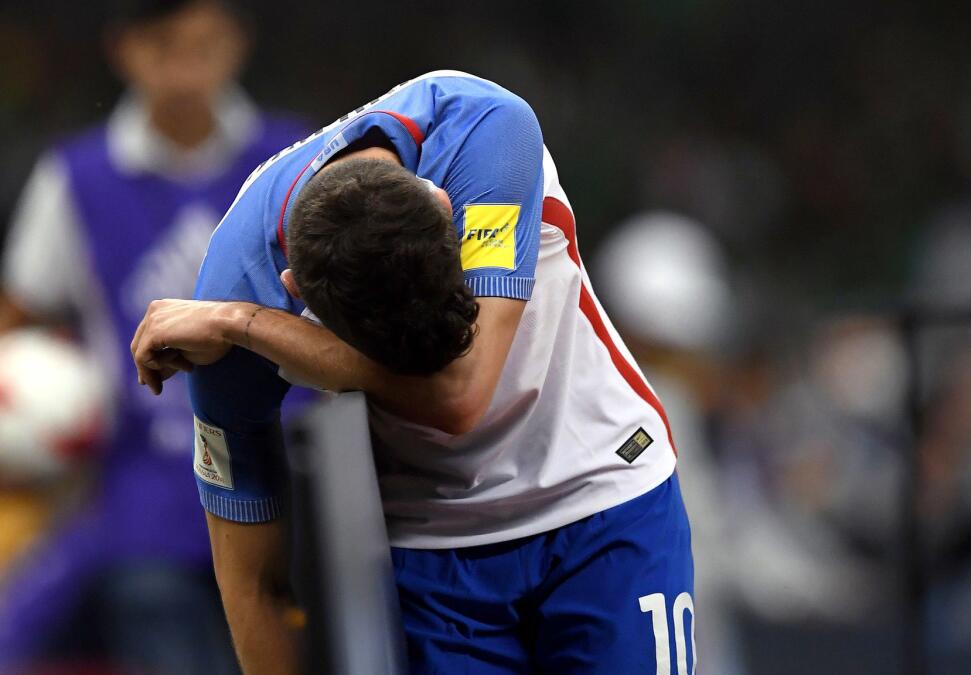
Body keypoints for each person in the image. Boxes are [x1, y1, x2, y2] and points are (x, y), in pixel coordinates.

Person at [131, 70, 696, 674]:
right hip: (436, 554)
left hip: (606, 491)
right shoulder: (241, 289)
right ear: (299, 292)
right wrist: (247, 323)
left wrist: (246, 326)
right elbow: (252, 586)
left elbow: (461, 397)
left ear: (444, 208)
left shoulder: (487, 135)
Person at [0, 1, 306, 672]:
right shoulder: (76, 179)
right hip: (148, 507)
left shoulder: (296, 160)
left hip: (296, 495)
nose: (186, 66)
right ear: (125, 49)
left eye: (206, 43)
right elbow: (15, 321)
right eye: (164, 45)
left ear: (239, 41)